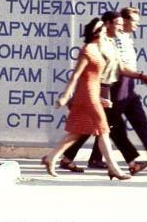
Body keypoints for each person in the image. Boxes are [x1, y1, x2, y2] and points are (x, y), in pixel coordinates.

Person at [59, 10, 147, 174]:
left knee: (98, 126)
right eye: (118, 24)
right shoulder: (93, 47)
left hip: (104, 90)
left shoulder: (111, 44)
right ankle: (129, 163)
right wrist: (68, 95)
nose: (121, 27)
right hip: (94, 91)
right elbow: (79, 74)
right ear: (106, 25)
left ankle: (65, 157)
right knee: (110, 126)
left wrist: (141, 76)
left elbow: (120, 68)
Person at [83, 7, 147, 173]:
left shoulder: (126, 38)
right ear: (124, 21)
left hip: (129, 84)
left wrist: (139, 77)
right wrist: (140, 76)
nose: (137, 25)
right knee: (110, 123)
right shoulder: (115, 39)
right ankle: (87, 156)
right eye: (134, 21)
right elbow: (118, 66)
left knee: (136, 120)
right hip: (119, 84)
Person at [41, 18, 130, 180]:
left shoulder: (100, 49)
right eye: (101, 29)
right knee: (103, 130)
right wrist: (66, 95)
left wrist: (100, 98)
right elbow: (76, 75)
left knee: (76, 133)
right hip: (87, 95)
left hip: (91, 94)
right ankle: (114, 168)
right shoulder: (88, 50)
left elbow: (97, 78)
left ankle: (51, 158)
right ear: (95, 32)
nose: (104, 31)